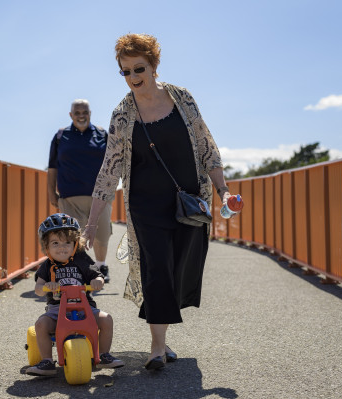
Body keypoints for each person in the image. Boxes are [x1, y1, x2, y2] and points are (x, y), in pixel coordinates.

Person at [83, 33, 238, 371]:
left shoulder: (181, 98)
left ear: (154, 65)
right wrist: (92, 224)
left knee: (179, 267)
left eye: (138, 68)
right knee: (157, 269)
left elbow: (206, 147)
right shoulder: (122, 114)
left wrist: (223, 190)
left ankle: (162, 338)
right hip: (145, 206)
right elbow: (109, 170)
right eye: (125, 72)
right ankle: (156, 348)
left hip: (189, 202)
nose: (133, 77)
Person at [26, 213, 124, 376]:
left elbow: (96, 273)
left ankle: (104, 355)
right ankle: (47, 361)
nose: (61, 247)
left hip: (85, 308)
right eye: (55, 243)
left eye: (67, 243)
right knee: (41, 325)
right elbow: (38, 288)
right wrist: (46, 286)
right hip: (57, 311)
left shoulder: (82, 259)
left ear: (75, 244)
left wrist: (98, 280)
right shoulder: (47, 266)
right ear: (47, 246)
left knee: (106, 319)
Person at [47, 99, 113, 282]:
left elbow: (112, 164)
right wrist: (51, 192)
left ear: (90, 113)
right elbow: (52, 167)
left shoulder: (102, 134)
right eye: (77, 113)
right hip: (69, 198)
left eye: (85, 112)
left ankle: (101, 266)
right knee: (72, 236)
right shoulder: (61, 136)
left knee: (102, 235)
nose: (81, 116)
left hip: (100, 196)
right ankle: (77, 270)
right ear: (71, 115)